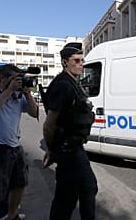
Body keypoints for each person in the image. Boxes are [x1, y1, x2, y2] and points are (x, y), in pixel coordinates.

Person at [0, 64, 38, 220]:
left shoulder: (19, 95)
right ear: (2, 78)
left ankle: (11, 216)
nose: (18, 82)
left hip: (15, 148)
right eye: (14, 78)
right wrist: (8, 91)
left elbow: (35, 112)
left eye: (19, 79)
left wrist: (28, 94)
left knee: (19, 185)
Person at [42, 42, 98, 220]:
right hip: (67, 151)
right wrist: (52, 150)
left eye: (82, 60)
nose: (81, 64)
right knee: (65, 201)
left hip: (76, 148)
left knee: (89, 188)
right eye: (76, 60)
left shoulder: (73, 83)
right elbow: (49, 124)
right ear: (65, 62)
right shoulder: (63, 86)